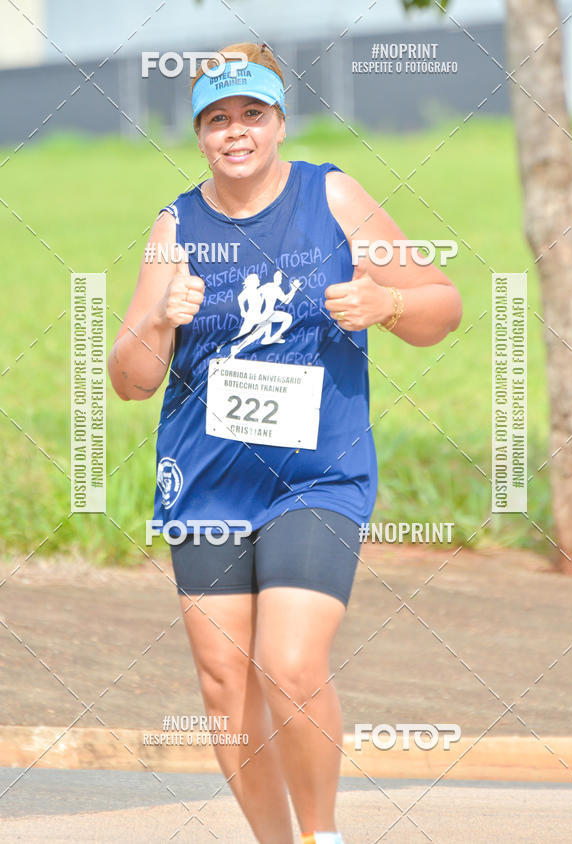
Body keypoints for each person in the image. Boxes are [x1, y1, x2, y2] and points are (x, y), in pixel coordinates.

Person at [108, 41, 462, 844]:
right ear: (199, 133)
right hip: (208, 483)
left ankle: (321, 834)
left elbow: (442, 304)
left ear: (279, 121)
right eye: (217, 119)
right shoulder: (175, 226)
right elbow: (130, 380)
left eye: (252, 114)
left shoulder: (331, 196)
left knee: (290, 664)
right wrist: (160, 318)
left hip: (316, 478)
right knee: (223, 682)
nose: (236, 132)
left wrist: (387, 306)